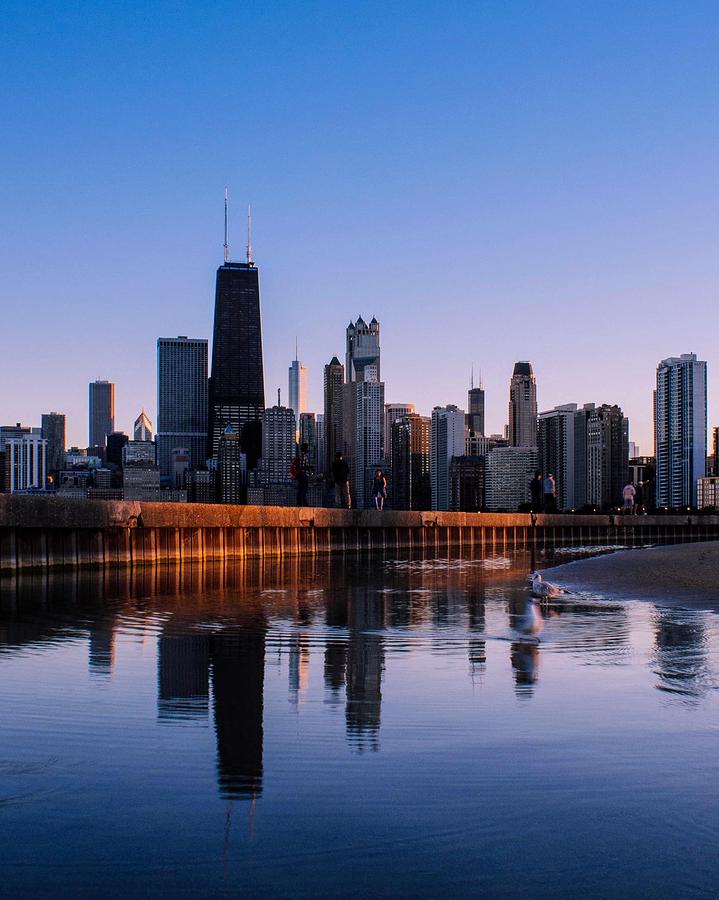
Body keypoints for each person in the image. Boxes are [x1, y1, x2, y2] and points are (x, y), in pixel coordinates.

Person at [296, 443, 311, 507]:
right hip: (303, 475)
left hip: (301, 475)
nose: (307, 449)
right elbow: (302, 467)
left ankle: (300, 503)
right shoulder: (303, 456)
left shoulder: (301, 455)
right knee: (304, 490)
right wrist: (308, 467)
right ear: (305, 449)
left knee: (301, 489)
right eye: (307, 448)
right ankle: (304, 504)